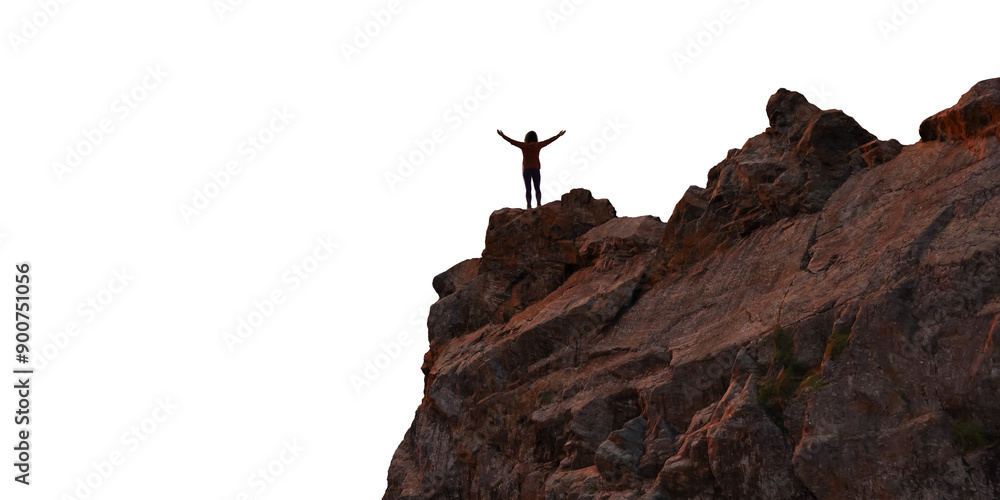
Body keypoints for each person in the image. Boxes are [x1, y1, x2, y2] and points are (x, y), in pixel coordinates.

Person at [497, 129, 566, 209]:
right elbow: (549, 141)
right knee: (537, 188)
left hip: (526, 169)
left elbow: (512, 142)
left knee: (528, 188)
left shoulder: (524, 145)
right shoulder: (538, 145)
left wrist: (503, 135)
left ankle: (529, 205)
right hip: (536, 169)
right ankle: (539, 204)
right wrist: (558, 135)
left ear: (527, 138)